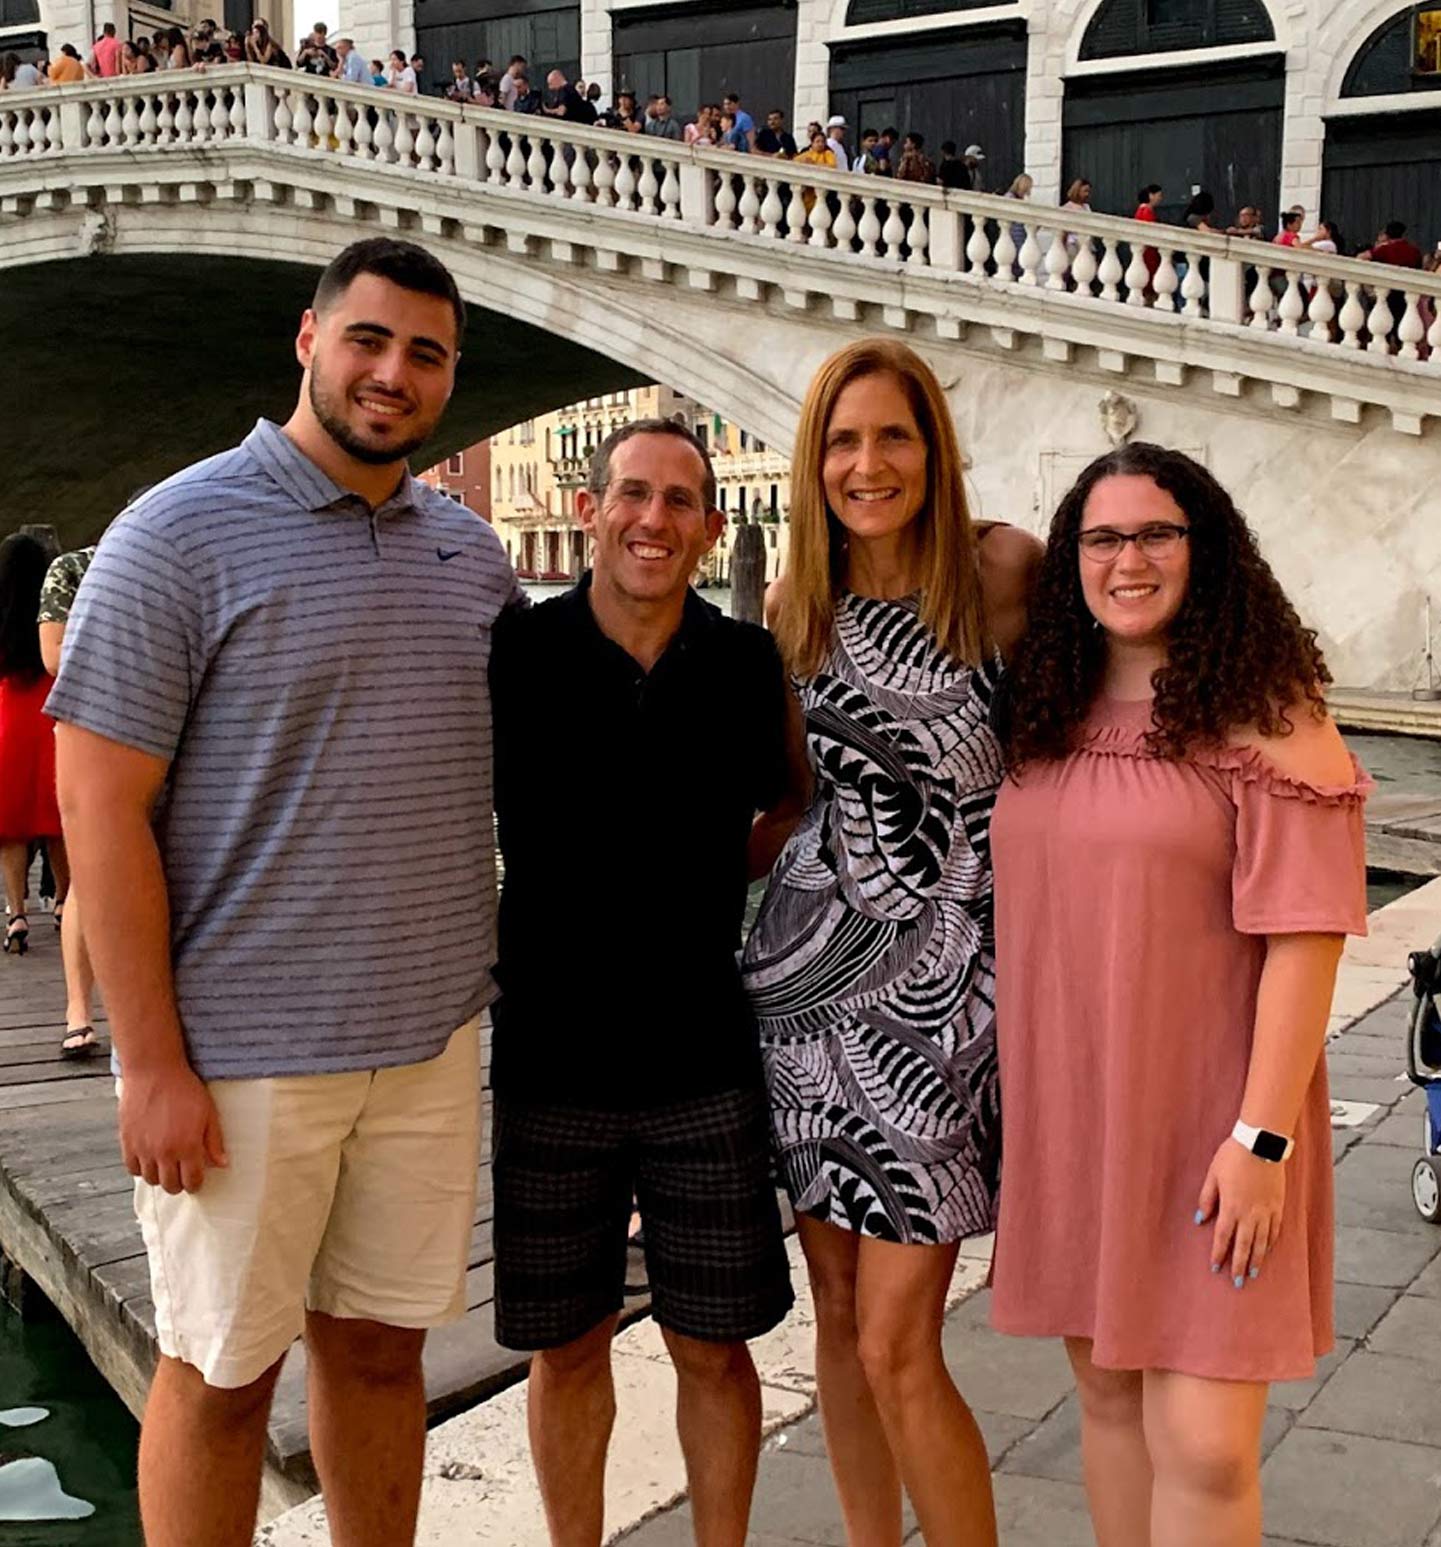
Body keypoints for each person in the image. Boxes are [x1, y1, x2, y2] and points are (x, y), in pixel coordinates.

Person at [49, 237, 516, 1547]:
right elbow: (97, 808)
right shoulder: (174, 531)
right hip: (240, 1061)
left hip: (426, 1046)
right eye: (368, 339)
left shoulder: (470, 558)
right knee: (219, 1377)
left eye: (426, 353)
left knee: (380, 1357)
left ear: (449, 379)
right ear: (307, 340)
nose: (393, 372)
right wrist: (150, 1064)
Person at [991, 442, 1369, 1547]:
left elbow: (1306, 937)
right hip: (1078, 1120)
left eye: (1156, 532)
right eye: (1101, 538)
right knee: (1107, 1400)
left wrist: (1261, 1139)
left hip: (1216, 1124)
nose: (1128, 559)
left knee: (1204, 1444)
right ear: (1070, 561)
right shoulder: (1044, 705)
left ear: (1206, 547)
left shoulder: (1266, 713)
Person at [743, 338, 1041, 1547]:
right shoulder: (793, 605)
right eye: (841, 441)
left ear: (934, 448)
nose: (867, 465)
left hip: (948, 1001)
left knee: (896, 1339)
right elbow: (798, 804)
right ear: (814, 462)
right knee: (835, 1321)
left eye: (891, 436)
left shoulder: (1007, 572)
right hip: (806, 1003)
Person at [489, 418, 805, 1547]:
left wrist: (709, 868)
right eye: (633, 493)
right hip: (548, 1055)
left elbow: (786, 798)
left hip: (699, 1051)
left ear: (713, 526)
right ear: (591, 508)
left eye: (680, 501)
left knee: (715, 1342)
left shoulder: (742, 662)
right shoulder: (517, 654)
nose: (653, 519)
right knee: (565, 1341)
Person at [37, 540, 104, 1054]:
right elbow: (53, 656)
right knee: (90, 867)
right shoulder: (74, 568)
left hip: (208, 735)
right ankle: (77, 1008)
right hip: (97, 726)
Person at [0, 533, 67, 964]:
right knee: (58, 819)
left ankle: (17, 915)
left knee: (12, 828)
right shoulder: (55, 607)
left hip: (8, 718)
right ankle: (64, 902)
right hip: (51, 715)